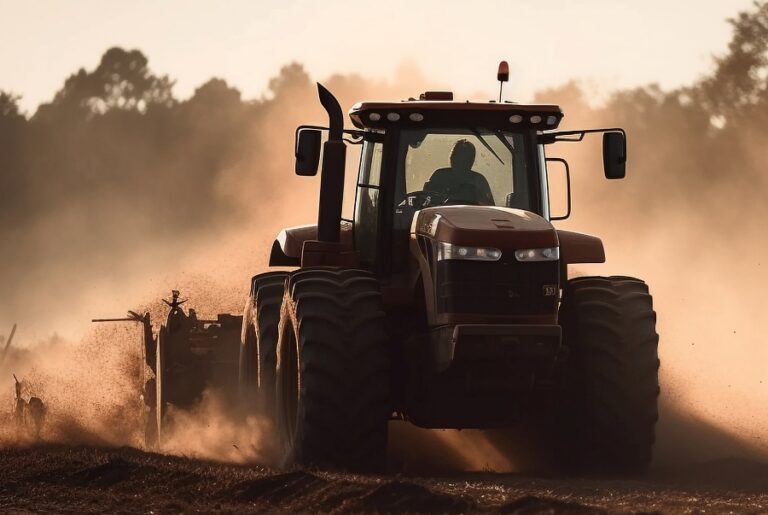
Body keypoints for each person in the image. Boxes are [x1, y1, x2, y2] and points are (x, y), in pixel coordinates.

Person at [423, 139, 495, 205]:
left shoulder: (478, 181)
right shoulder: (439, 176)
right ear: (452, 158)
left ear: (471, 160)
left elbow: (488, 209)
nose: (461, 162)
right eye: (458, 157)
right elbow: (424, 202)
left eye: (465, 158)